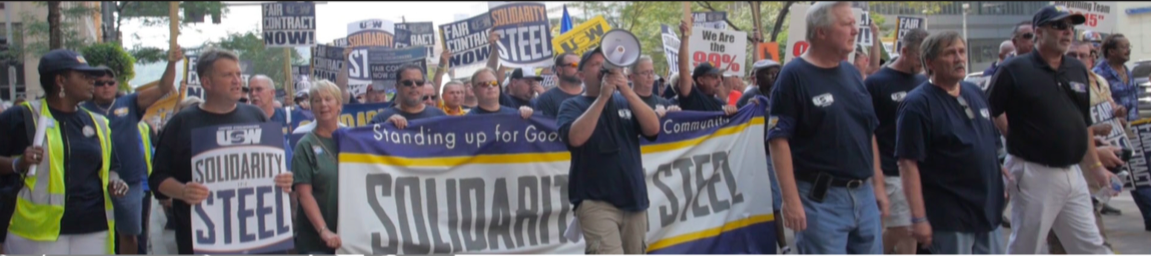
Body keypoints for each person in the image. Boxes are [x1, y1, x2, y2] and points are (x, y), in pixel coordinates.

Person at [987, 5, 1114, 254]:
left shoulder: (1077, 69)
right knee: (1027, 245)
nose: (1067, 32)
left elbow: (1083, 122)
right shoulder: (1014, 69)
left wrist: (1096, 167)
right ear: (1038, 32)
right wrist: (1011, 136)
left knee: (1090, 244)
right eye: (1058, 26)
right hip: (1034, 172)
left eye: (1070, 27)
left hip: (1073, 173)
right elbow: (989, 110)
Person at [767, 2, 888, 253]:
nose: (855, 30)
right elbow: (779, 142)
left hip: (864, 197)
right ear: (821, 31)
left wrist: (877, 184)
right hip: (820, 202)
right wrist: (790, 201)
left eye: (854, 24)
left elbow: (868, 131)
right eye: (846, 24)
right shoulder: (793, 76)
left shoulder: (853, 74)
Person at [149, 49, 294, 254]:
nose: (237, 81)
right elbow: (157, 179)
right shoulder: (181, 123)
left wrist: (285, 179)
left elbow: (278, 167)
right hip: (204, 243)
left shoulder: (256, 116)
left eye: (238, 74)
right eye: (228, 75)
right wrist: (182, 191)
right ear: (206, 83)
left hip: (260, 242)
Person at [0, 49, 128, 254]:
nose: (92, 81)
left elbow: (112, 167)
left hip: (93, 228)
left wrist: (115, 181)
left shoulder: (99, 123)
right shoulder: (22, 116)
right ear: (61, 80)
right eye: (84, 76)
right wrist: (17, 163)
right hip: (36, 234)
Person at [895, 31, 1006, 254]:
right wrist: (918, 217)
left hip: (987, 214)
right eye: (950, 53)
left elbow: (987, 143)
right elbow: (908, 164)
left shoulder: (975, 92)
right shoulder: (917, 105)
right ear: (930, 62)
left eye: (961, 51)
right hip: (950, 219)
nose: (959, 58)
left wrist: (1000, 175)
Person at [557, 46, 660, 254]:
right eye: (596, 64)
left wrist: (627, 91)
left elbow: (653, 129)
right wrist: (602, 97)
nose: (603, 68)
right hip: (595, 200)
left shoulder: (626, 100)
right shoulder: (571, 106)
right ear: (581, 75)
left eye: (605, 64)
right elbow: (575, 138)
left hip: (633, 198)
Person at [80, 48, 181, 255]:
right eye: (100, 83)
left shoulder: (129, 103)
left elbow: (163, 87)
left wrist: (171, 62)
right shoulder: (82, 110)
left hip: (130, 182)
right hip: (93, 183)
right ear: (92, 86)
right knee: (98, 234)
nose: (106, 86)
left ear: (116, 85)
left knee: (129, 233)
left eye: (110, 82)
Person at [1047, 39, 1123, 254]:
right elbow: (1065, 129)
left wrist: (1116, 119)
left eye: (1083, 55)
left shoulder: (1097, 81)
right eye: (1073, 55)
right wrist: (1094, 147)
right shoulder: (1054, 81)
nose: (1078, 60)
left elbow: (1092, 118)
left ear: (1092, 59)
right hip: (1064, 167)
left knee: (1092, 224)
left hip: (1092, 162)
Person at [865, 27, 929, 255]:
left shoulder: (923, 82)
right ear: (904, 51)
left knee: (909, 231)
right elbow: (866, 129)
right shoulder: (876, 83)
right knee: (905, 230)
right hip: (890, 169)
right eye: (918, 57)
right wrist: (876, 176)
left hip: (919, 170)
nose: (922, 62)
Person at [291, 80, 343, 254]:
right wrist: (323, 230)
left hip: (350, 239)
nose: (323, 104)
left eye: (328, 99)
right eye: (317, 100)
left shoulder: (352, 140)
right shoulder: (304, 146)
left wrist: (393, 122)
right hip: (316, 242)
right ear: (311, 107)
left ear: (339, 105)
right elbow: (303, 194)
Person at [676, 19, 737, 115]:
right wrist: (685, 37)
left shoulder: (720, 103)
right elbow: (683, 69)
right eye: (714, 76)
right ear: (701, 80)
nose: (719, 80)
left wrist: (732, 110)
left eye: (720, 77)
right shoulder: (693, 97)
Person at [368, 65, 447, 128]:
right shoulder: (382, 119)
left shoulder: (439, 116)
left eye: (419, 82)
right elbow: (364, 142)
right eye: (408, 83)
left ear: (423, 86)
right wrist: (385, 127)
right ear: (397, 86)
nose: (414, 86)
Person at [1098, 34, 1137, 124]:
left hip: (1133, 129)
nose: (1128, 50)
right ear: (1112, 51)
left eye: (1129, 46)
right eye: (1124, 47)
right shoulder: (1099, 74)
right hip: (1113, 129)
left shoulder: (1128, 72)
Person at [467, 68, 533, 118]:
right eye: (484, 84)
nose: (490, 86)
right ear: (474, 91)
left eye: (494, 83)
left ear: (499, 86)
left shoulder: (516, 114)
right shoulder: (468, 120)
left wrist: (527, 114)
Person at [533, 53, 584, 118]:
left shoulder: (593, 94)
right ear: (560, 70)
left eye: (581, 65)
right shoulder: (546, 99)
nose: (579, 69)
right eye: (574, 65)